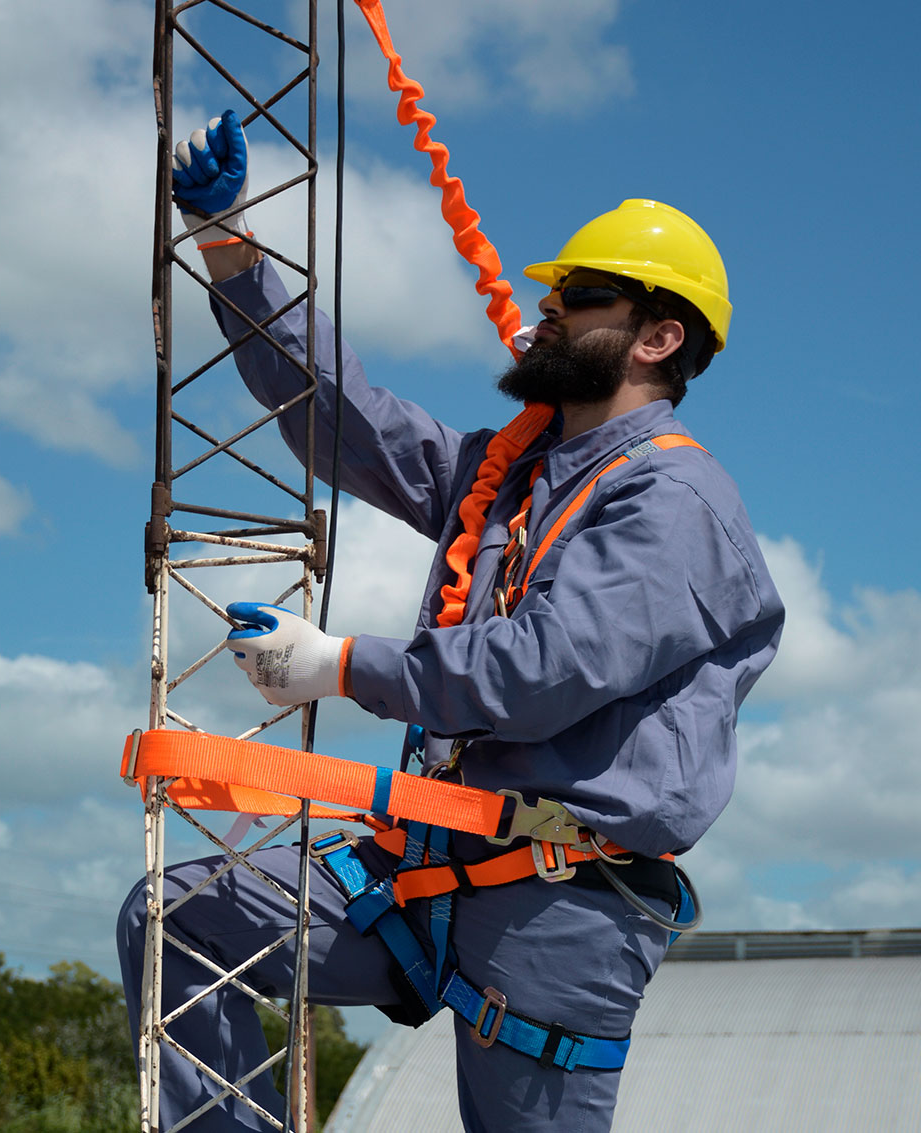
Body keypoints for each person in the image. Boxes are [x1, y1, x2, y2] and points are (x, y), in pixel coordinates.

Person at [118, 111, 784, 1131]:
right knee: (178, 916)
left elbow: (547, 667)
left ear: (658, 337)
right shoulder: (509, 478)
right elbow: (343, 420)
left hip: (556, 905)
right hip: (416, 873)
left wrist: (342, 663)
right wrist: (231, 248)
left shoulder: (675, 502)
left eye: (580, 298)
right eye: (552, 294)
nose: (546, 312)